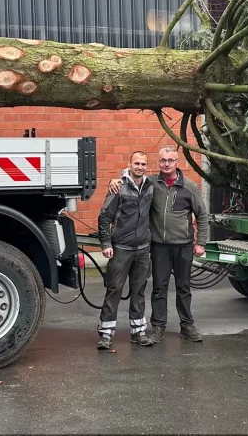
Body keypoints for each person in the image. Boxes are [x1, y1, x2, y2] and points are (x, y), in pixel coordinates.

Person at [109, 146, 209, 344]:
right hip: (159, 246)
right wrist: (116, 179)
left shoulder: (188, 186)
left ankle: (187, 325)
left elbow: (203, 215)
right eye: (163, 160)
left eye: (170, 160)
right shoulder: (151, 183)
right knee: (159, 287)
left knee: (183, 287)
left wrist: (201, 243)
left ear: (177, 162)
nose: (166, 164)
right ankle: (158, 326)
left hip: (183, 245)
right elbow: (133, 177)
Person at [95, 150, 155, 350]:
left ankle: (138, 332)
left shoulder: (150, 187)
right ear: (129, 164)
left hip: (142, 249)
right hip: (121, 248)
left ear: (147, 166)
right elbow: (104, 216)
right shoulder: (118, 187)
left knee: (138, 291)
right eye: (136, 163)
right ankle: (105, 334)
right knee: (114, 290)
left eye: (143, 164)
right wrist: (106, 244)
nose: (139, 167)